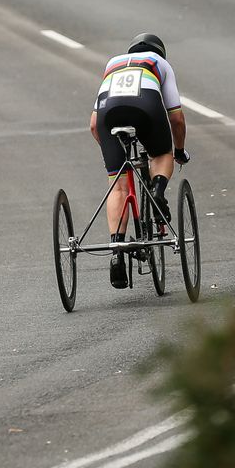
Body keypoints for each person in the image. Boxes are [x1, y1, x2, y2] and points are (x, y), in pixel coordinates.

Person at [90, 33, 189, 290]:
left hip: (108, 114)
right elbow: (176, 118)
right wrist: (178, 150)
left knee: (119, 185)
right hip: (146, 104)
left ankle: (116, 251)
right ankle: (157, 191)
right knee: (161, 153)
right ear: (160, 51)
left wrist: (114, 154)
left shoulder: (113, 63)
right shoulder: (159, 63)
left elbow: (93, 124)